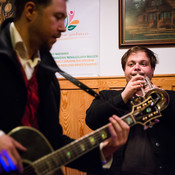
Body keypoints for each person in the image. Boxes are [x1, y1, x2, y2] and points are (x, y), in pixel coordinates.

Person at [0, 0, 130, 174]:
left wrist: (102, 151)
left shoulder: (48, 74)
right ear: (30, 11)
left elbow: (53, 143)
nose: (63, 27)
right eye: (58, 17)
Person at [86, 46, 175, 175]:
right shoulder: (106, 96)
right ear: (125, 71)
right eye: (131, 64)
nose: (137, 67)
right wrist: (123, 97)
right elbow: (91, 120)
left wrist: (159, 99)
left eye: (143, 64)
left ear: (152, 70)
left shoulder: (169, 97)